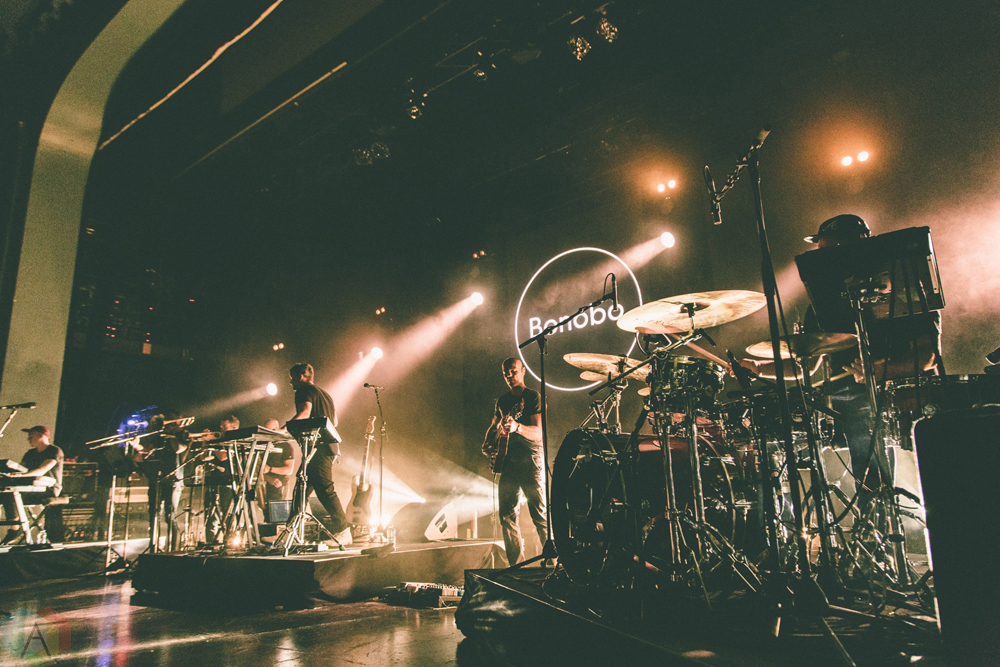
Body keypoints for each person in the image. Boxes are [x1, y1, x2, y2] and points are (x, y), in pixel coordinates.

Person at [483, 357, 547, 566]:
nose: (509, 376)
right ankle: (517, 565)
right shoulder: (502, 401)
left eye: (513, 371)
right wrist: (488, 443)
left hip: (530, 460)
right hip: (509, 462)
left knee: (540, 515)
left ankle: (554, 561)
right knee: (507, 516)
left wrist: (517, 427)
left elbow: (538, 433)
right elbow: (494, 426)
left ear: (523, 370)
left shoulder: (533, 397)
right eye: (506, 373)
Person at [288, 362, 351, 545]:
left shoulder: (303, 391)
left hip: (319, 448)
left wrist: (284, 429)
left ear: (300, 376)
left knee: (325, 489)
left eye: (292, 378)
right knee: (301, 489)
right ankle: (291, 532)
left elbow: (305, 412)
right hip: (326, 447)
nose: (291, 383)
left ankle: (343, 530)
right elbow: (334, 421)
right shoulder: (325, 394)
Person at [0, 425, 64, 544]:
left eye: (31, 437)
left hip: (48, 488)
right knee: (5, 494)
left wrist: (20, 475)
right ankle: (14, 528)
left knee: (12, 495)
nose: (28, 440)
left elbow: (41, 471)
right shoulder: (30, 453)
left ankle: (15, 529)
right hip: (30, 486)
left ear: (41, 436)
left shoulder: (54, 451)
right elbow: (20, 468)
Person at [134, 414, 189, 551]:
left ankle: (173, 549)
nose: (167, 425)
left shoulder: (182, 435)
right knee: (153, 514)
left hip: (173, 480)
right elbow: (146, 450)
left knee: (170, 515)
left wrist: (173, 433)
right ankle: (153, 547)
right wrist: (136, 445)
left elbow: (178, 448)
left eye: (171, 422)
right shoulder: (159, 437)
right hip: (156, 479)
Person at [203, 415, 240, 544]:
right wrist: (205, 442)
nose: (221, 428)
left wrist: (211, 440)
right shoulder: (219, 440)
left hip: (228, 482)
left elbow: (223, 457)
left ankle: (229, 542)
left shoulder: (236, 440)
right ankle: (211, 543)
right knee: (211, 514)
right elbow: (204, 457)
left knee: (228, 515)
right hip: (214, 480)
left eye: (224, 426)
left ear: (234, 427)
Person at [259, 418, 300, 504]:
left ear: (278, 429)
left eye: (273, 429)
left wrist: (270, 469)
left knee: (279, 509)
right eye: (267, 430)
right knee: (265, 510)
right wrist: (269, 478)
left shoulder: (286, 446)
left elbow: (289, 470)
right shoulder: (261, 445)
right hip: (265, 483)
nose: (270, 432)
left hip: (280, 484)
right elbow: (257, 469)